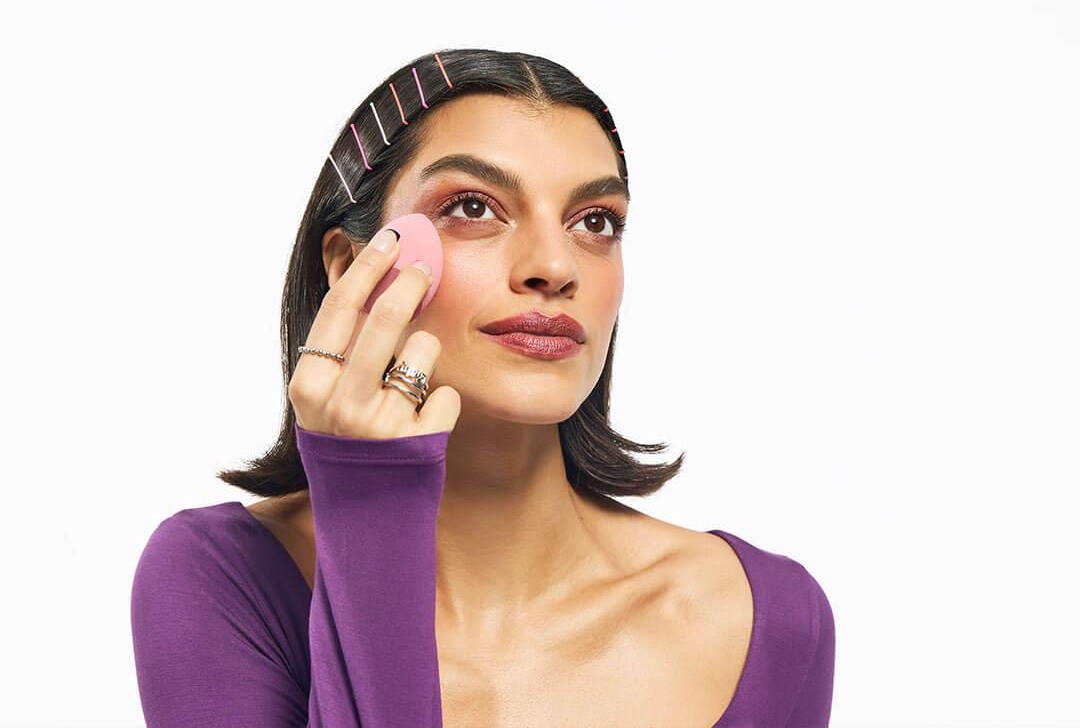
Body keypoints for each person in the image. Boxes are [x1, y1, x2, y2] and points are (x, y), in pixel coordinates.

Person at [130, 48, 835, 726]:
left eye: (595, 222)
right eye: (473, 207)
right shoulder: (222, 577)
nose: (554, 266)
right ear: (352, 264)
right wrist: (371, 492)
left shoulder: (763, 619)